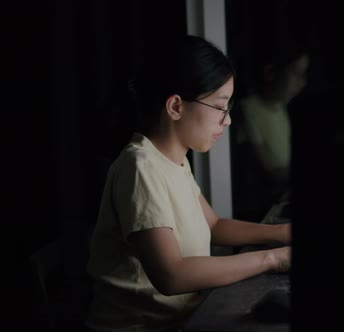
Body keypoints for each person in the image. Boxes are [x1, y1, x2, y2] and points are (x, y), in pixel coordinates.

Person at [85, 35, 291, 332]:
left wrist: (280, 232)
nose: (228, 120)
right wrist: (274, 258)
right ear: (176, 107)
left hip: (185, 320)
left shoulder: (175, 161)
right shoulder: (140, 167)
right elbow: (172, 275)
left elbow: (215, 225)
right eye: (221, 107)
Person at [233, 38, 310, 221]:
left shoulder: (281, 107)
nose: (303, 82)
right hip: (262, 208)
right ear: (270, 73)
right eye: (296, 73)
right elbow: (271, 169)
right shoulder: (249, 109)